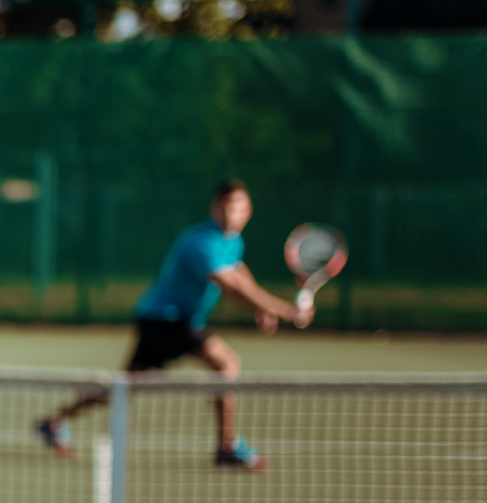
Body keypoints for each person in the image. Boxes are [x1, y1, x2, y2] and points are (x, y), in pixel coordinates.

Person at [34, 179, 309, 471]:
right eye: (226, 205)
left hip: (163, 319)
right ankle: (226, 447)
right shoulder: (200, 242)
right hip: (167, 320)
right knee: (227, 364)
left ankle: (54, 423)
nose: (232, 212)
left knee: (125, 386)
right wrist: (283, 309)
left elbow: (240, 274)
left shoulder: (232, 242)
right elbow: (230, 286)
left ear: (249, 211)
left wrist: (261, 310)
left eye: (239, 206)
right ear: (215, 207)